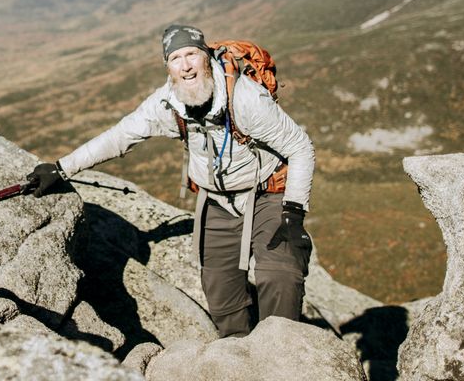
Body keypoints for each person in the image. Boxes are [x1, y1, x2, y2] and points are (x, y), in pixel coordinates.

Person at [29, 24, 314, 338]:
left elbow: (300, 146)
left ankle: (283, 350)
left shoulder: (246, 99)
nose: (186, 65)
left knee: (280, 274)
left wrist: (293, 212)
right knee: (220, 294)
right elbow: (119, 137)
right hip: (216, 200)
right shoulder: (166, 104)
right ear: (168, 67)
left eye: (191, 53)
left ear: (206, 56)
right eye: (176, 58)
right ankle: (240, 353)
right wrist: (60, 168)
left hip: (265, 192)